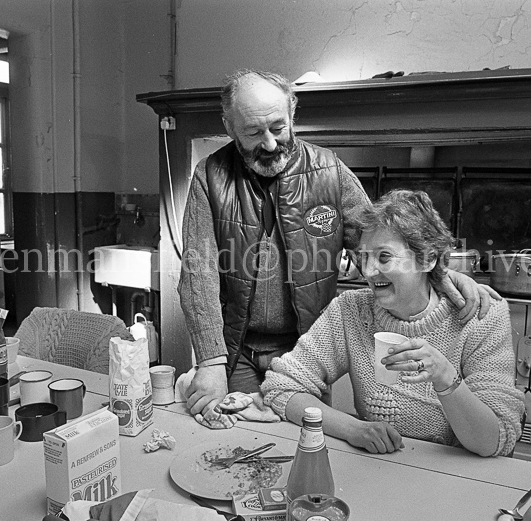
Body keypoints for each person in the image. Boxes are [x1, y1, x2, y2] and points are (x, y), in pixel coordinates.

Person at [179, 69, 496, 421]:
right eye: (253, 132)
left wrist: (441, 274)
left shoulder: (330, 171)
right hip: (236, 349)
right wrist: (210, 360)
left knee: (306, 441)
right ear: (229, 125)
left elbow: (382, 240)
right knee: (238, 441)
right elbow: (199, 274)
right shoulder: (210, 176)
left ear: (293, 112)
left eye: (278, 128)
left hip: (306, 347)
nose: (269, 144)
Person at [261, 189, 525, 457]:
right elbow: (281, 388)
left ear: (429, 258)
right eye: (363, 257)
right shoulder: (351, 310)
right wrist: (355, 429)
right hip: (379, 468)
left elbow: (494, 440)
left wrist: (445, 377)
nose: (369, 272)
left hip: (460, 476)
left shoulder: (481, 316)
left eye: (384, 257)